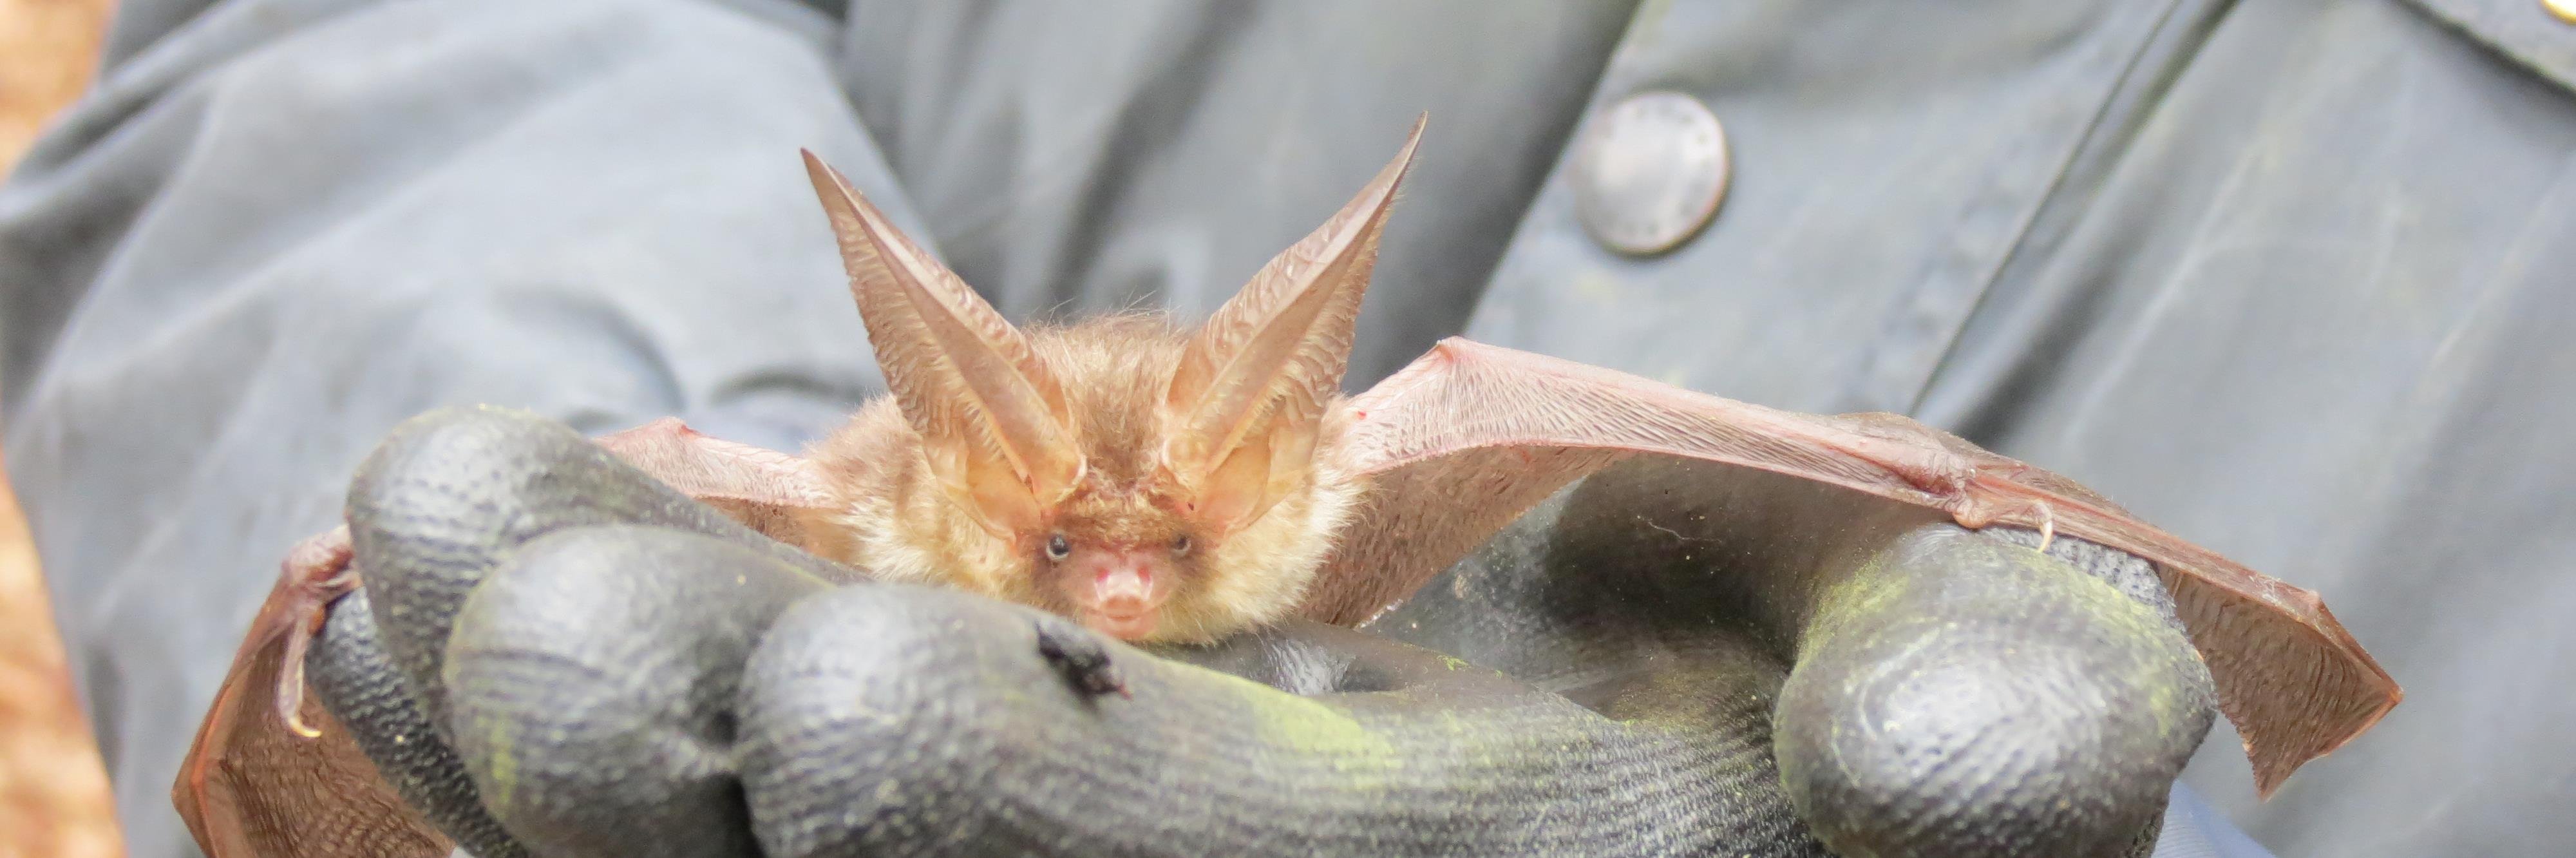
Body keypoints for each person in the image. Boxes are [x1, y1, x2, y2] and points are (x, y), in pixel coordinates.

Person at [3, 1, 2565, 855]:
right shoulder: (845, 498)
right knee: (468, 590)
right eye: (1073, 560)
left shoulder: (1417, 447)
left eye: (1152, 558)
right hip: (839, 539)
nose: (1113, 581)